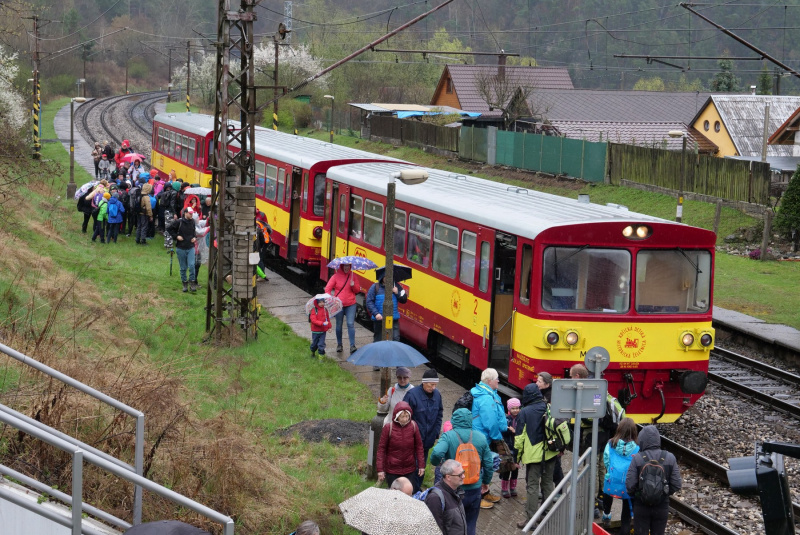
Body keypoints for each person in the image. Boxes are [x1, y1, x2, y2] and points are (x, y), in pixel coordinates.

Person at [571, 363, 625, 517]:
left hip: (591, 435)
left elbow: (589, 417)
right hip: (606, 435)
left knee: (592, 468)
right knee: (602, 466)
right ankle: (602, 496)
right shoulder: (604, 392)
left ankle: (592, 502)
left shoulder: (589, 392)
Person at [430, 409, 494, 535]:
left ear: (454, 420)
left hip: (453, 489)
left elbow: (436, 453)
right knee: (470, 523)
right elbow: (488, 464)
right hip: (475, 488)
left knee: (452, 525)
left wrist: (440, 464)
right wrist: (486, 481)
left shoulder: (448, 436)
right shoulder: (480, 437)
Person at [626, 425, 682, 535]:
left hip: (641, 507)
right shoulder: (670, 457)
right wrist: (663, 493)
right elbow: (677, 484)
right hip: (661, 507)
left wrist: (640, 494)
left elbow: (629, 485)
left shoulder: (637, 458)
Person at [514, 383, 556, 529]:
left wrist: (516, 458)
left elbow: (519, 438)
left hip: (534, 456)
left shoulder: (524, 412)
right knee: (547, 483)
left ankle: (531, 520)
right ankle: (548, 515)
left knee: (532, 487)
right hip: (550, 452)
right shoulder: (548, 406)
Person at [469, 368, 506, 505]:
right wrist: (497, 436)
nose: (498, 381)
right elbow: (490, 421)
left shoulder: (488, 393)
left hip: (483, 437)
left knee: (484, 466)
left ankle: (484, 492)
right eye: (497, 378)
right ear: (490, 381)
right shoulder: (485, 397)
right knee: (481, 467)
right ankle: (477, 498)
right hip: (483, 438)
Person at [404, 368, 444, 488]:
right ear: (424, 382)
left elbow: (439, 414)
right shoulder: (412, 395)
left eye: (435, 385)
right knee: (412, 466)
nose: (433, 387)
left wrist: (436, 433)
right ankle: (410, 489)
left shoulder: (437, 395)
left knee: (421, 466)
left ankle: (416, 488)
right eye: (431, 385)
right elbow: (404, 416)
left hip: (427, 441)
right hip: (413, 441)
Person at [376, 401, 424, 494]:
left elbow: (419, 446)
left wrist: (421, 466)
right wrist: (380, 470)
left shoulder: (414, 426)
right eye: (402, 416)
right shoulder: (388, 428)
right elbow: (381, 449)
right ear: (397, 416)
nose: (405, 419)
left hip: (409, 468)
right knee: (393, 494)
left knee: (409, 494)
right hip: (392, 469)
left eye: (407, 416)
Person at [602, 417, 639, 533]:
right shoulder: (637, 448)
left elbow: (606, 459)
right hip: (628, 484)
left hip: (612, 481)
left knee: (608, 487)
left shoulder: (611, 443)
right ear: (633, 431)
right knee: (626, 514)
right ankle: (625, 530)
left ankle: (607, 514)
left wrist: (610, 471)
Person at [424, 459, 468, 535]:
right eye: (460, 475)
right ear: (448, 477)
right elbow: (435, 530)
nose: (463, 476)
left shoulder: (456, 490)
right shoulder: (435, 498)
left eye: (463, 472)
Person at [324, 263, 359, 353]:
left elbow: (357, 290)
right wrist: (331, 298)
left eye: (348, 266)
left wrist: (353, 285)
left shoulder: (353, 276)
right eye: (345, 266)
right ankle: (339, 344)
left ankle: (352, 346)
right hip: (338, 305)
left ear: (350, 267)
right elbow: (327, 289)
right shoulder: (335, 276)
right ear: (341, 266)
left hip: (351, 304)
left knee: (350, 324)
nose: (346, 267)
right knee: (339, 325)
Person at [365, 273, 407, 343]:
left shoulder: (397, 286)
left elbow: (404, 300)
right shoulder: (375, 287)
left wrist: (397, 293)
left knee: (395, 339)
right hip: (380, 319)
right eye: (386, 276)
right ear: (382, 277)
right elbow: (369, 302)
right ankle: (378, 353)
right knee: (378, 339)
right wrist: (376, 314)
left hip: (393, 318)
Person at [500, 397, 521, 499]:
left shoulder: (521, 419)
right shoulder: (506, 420)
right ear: (509, 409)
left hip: (517, 448)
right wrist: (509, 430)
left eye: (517, 408)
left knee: (515, 468)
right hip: (508, 448)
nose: (515, 410)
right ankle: (504, 488)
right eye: (513, 408)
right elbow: (502, 431)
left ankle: (513, 487)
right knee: (507, 469)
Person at [174, 207, 197, 292]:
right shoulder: (179, 222)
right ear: (185, 213)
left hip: (190, 247)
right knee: (183, 267)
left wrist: (194, 237)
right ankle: (184, 283)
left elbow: (194, 232)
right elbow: (169, 229)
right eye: (190, 213)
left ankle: (192, 283)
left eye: (192, 213)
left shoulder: (193, 222)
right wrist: (176, 236)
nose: (191, 215)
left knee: (191, 265)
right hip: (181, 248)